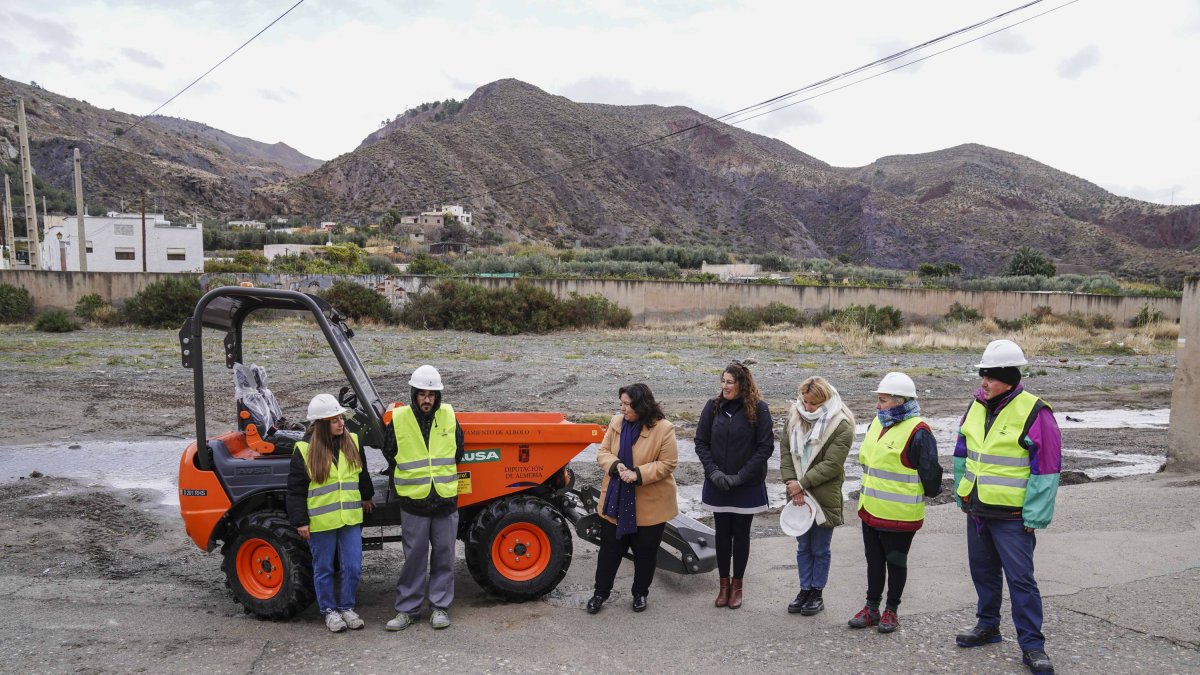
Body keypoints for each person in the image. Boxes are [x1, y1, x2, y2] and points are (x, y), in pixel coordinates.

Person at [953, 340, 1061, 675]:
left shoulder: (1035, 411)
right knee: (983, 573)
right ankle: (988, 626)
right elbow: (962, 452)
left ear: (1009, 378)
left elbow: (1047, 466)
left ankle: (1033, 647)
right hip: (978, 508)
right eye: (982, 374)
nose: (983, 382)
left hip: (1014, 517)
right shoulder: (976, 405)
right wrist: (962, 494)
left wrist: (1035, 515)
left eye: (990, 376)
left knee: (1020, 580)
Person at [848, 372, 942, 634]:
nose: (877, 406)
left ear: (900, 401)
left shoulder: (919, 432)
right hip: (870, 511)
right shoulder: (877, 424)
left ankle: (891, 610)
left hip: (900, 517)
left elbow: (932, 480)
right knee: (873, 562)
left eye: (883, 400)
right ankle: (871, 608)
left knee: (896, 563)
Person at [384, 365, 465, 632]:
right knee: (414, 559)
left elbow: (458, 453)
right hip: (414, 502)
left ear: (438, 395)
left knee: (444, 556)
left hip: (444, 501)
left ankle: (440, 607)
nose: (426, 399)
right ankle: (408, 610)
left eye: (431, 394)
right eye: (422, 394)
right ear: (413, 394)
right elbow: (391, 453)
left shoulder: (450, 418)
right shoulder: (399, 419)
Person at [285, 393, 375, 633]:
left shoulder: (353, 441)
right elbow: (295, 491)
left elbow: (362, 474)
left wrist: (367, 496)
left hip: (349, 519)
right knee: (323, 568)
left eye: (341, 418)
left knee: (352, 566)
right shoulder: (304, 451)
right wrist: (300, 522)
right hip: (321, 522)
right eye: (335, 420)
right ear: (322, 424)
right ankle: (329, 611)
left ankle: (347, 607)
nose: (341, 423)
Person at [587, 383, 679, 614]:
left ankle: (640, 594)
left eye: (627, 404)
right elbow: (602, 452)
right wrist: (617, 466)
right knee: (609, 550)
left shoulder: (664, 429)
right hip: (616, 501)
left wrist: (637, 474)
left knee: (646, 551)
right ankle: (600, 593)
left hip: (650, 504)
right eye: (621, 403)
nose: (623, 409)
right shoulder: (616, 422)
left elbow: (668, 464)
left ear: (641, 405)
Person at [694, 362, 775, 609]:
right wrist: (714, 472)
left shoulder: (759, 409)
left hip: (746, 484)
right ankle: (723, 586)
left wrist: (740, 477)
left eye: (730, 382)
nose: (724, 386)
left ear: (742, 384)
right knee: (722, 534)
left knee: (740, 535)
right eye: (723, 381)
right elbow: (701, 442)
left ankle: (737, 587)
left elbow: (765, 447)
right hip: (717, 482)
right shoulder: (713, 407)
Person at [780, 376, 855, 617]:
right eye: (804, 401)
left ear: (825, 401)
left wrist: (801, 484)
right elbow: (785, 453)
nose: (807, 407)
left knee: (820, 547)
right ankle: (804, 589)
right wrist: (792, 483)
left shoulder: (841, 425)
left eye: (813, 403)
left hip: (822, 495)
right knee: (803, 546)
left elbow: (832, 464)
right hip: (797, 493)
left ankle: (816, 592)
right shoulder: (794, 418)